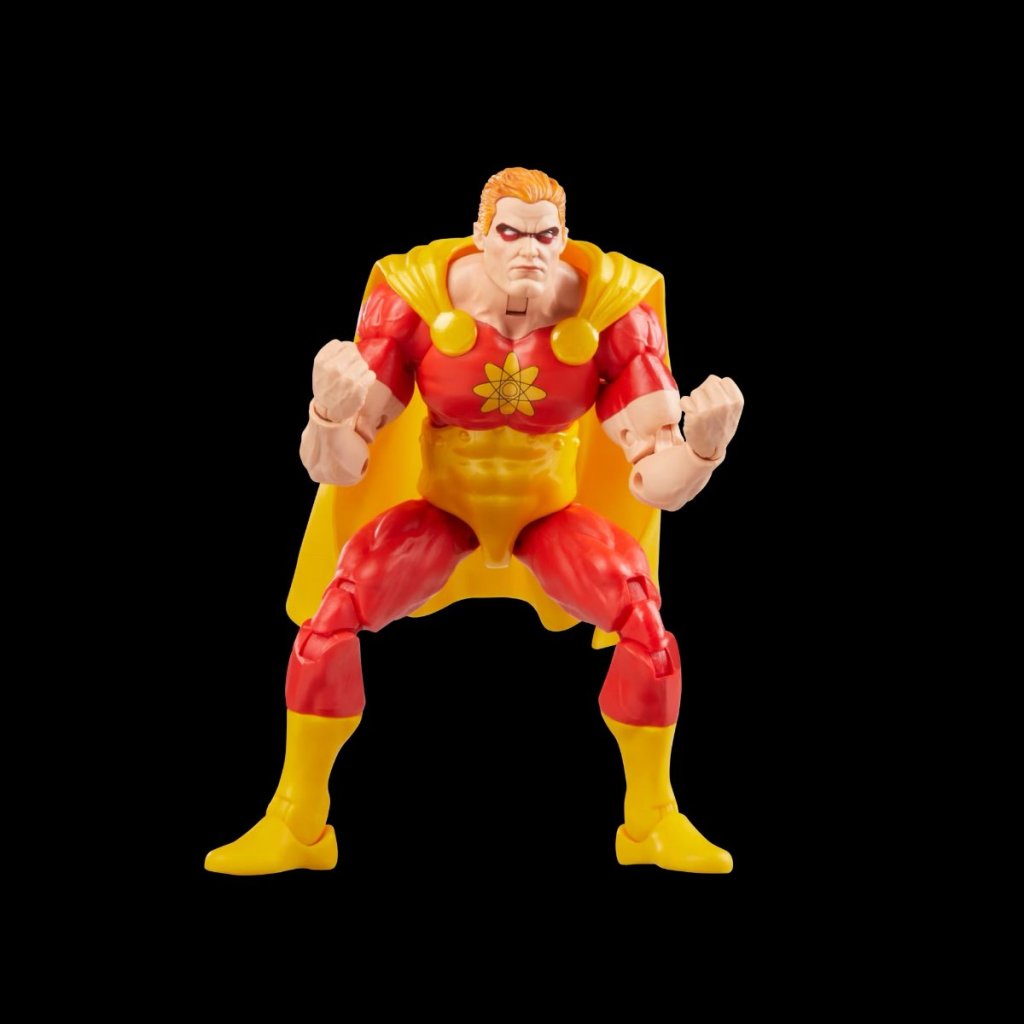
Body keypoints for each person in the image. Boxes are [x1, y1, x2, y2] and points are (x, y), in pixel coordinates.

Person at [205, 167, 743, 876]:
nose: (528, 250)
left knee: (648, 630)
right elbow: (339, 467)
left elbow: (657, 483)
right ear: (480, 234)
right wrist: (327, 414)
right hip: (442, 513)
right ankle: (297, 823)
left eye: (545, 236)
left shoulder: (613, 313)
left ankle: (651, 820)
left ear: (565, 238)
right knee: (327, 626)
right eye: (511, 232)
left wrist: (704, 451)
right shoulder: (416, 301)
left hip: (549, 518)